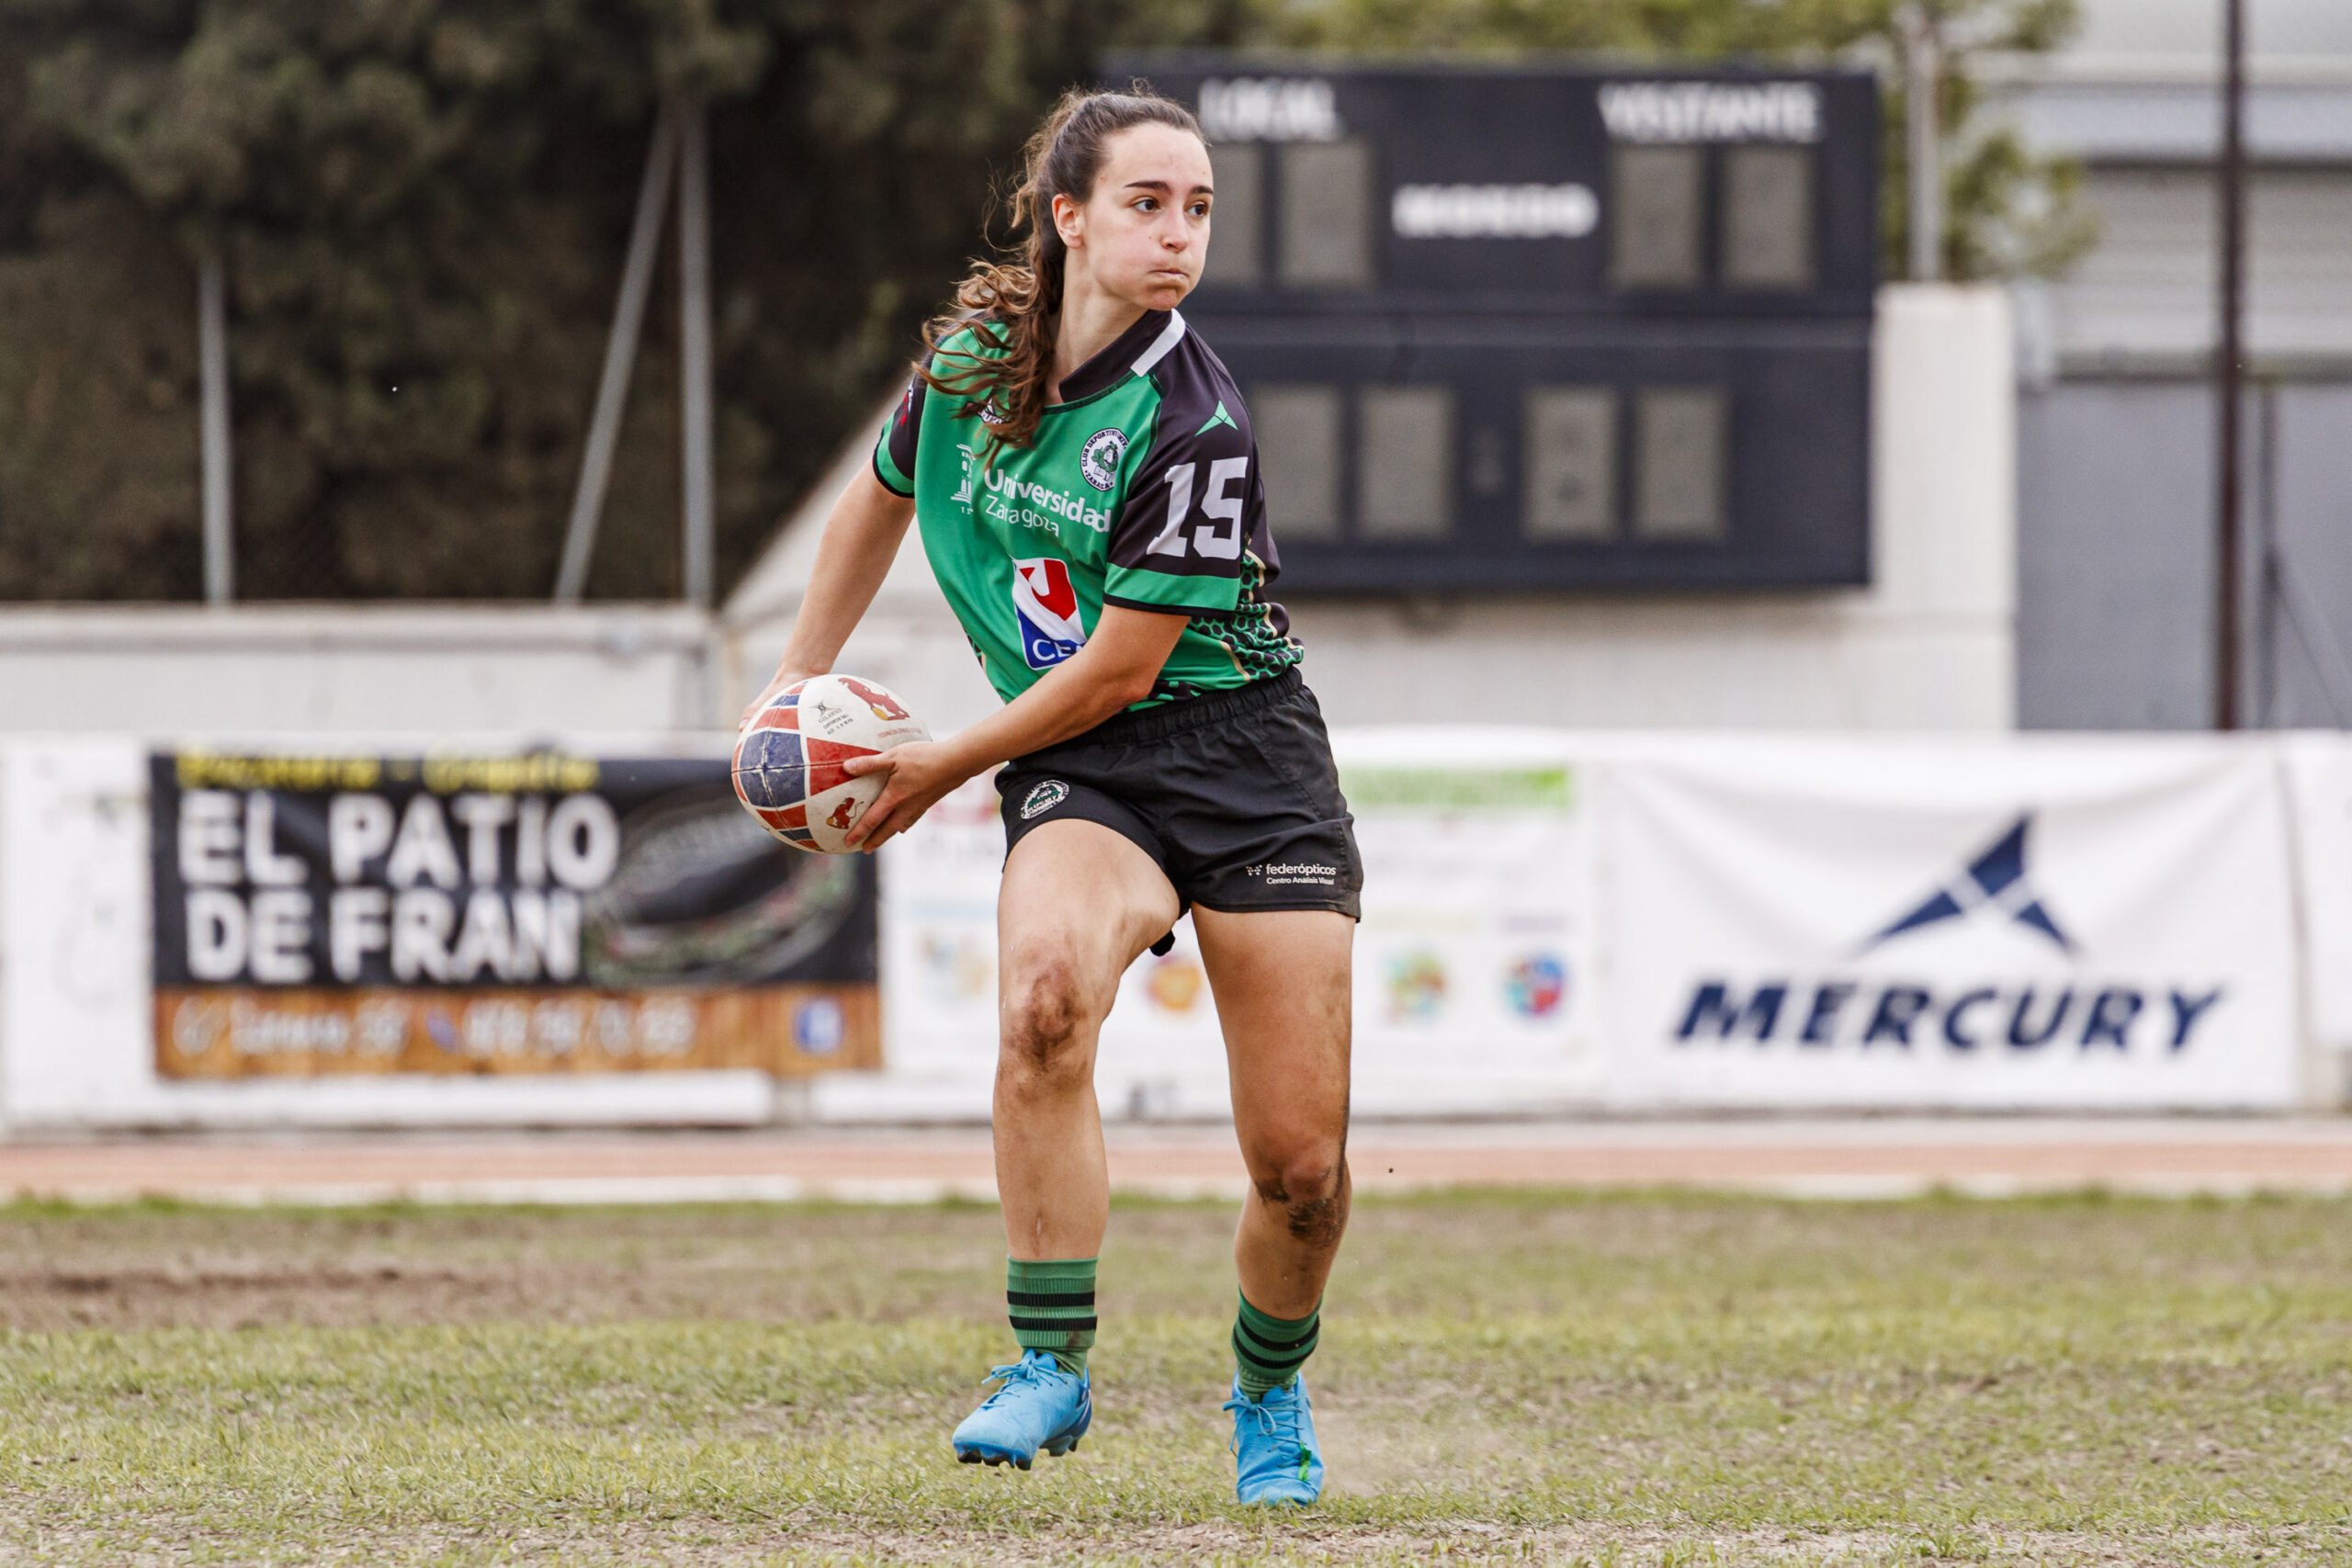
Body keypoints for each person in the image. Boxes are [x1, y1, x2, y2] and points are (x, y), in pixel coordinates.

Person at [741, 85, 1358, 1507]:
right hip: (1093, 774)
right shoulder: (967, 366)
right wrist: (795, 685)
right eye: (1148, 203)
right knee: (1041, 1002)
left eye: (1199, 208)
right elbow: (876, 503)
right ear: (1066, 216)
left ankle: (1267, 1386)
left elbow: (1118, 671)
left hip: (1246, 764)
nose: (1179, 234)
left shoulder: (1193, 417)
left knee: (1301, 1170)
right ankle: (1049, 1364)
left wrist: (938, 765)